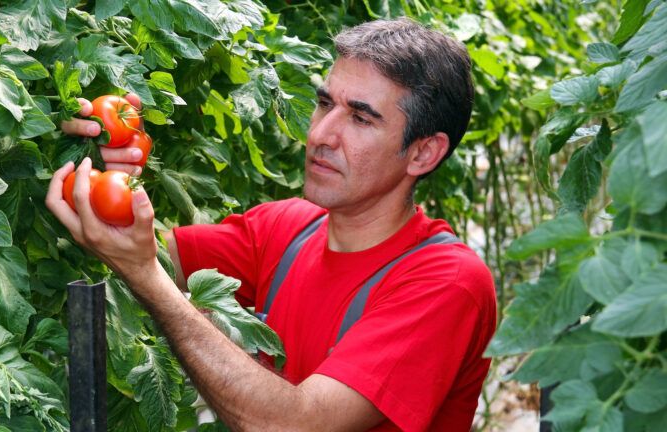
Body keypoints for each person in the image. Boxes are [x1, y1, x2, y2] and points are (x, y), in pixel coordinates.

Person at [47, 17, 496, 431]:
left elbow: (291, 424)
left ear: (423, 153)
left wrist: (146, 276)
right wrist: (100, 158)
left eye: (360, 118)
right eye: (324, 104)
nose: (320, 134)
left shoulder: (447, 283)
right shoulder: (287, 228)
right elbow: (132, 243)